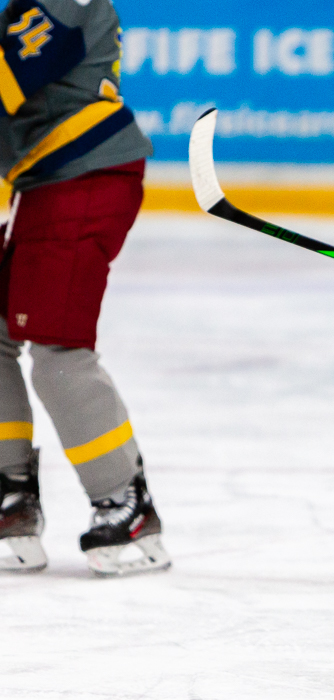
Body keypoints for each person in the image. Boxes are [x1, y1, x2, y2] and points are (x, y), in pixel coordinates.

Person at [0, 0, 167, 576]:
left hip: (84, 176)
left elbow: (5, 82)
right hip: (45, 182)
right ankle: (10, 497)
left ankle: (124, 500)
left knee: (55, 350)